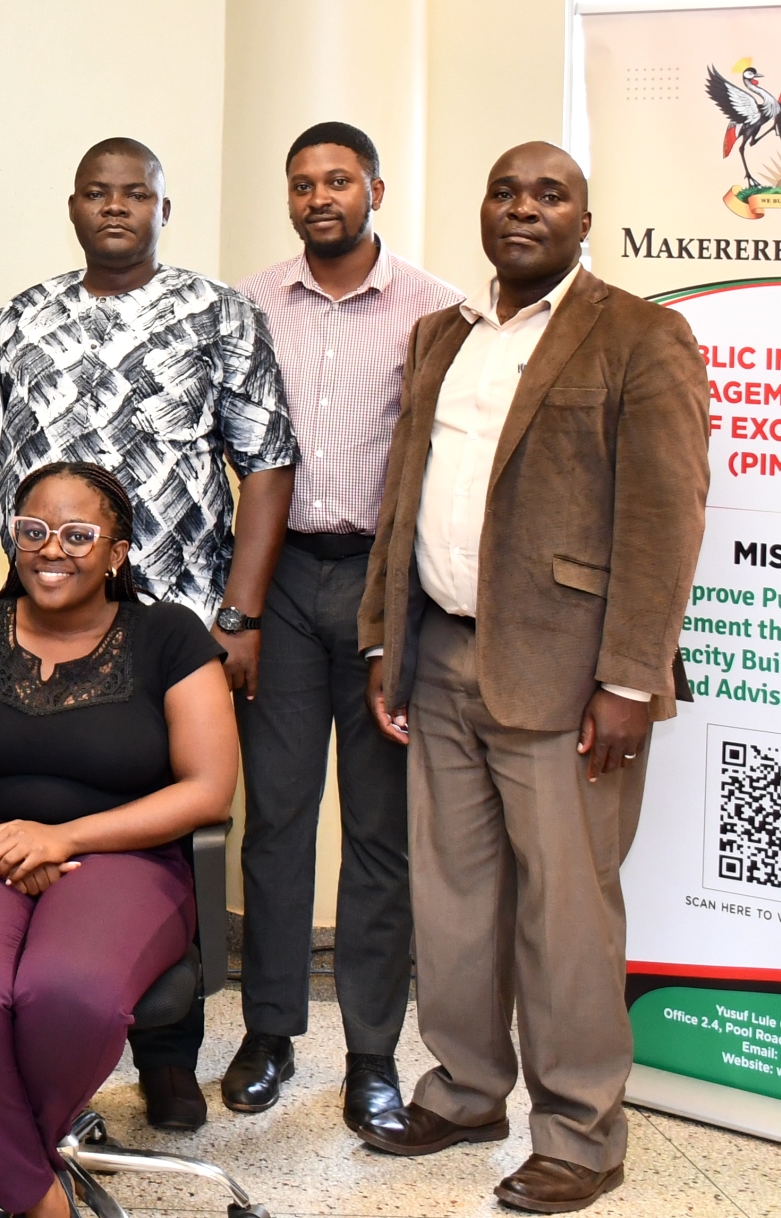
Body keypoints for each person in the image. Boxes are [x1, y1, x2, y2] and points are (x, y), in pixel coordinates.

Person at [355, 142, 705, 1213]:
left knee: (567, 913)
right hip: (444, 658)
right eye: (505, 191)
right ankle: (465, 1090)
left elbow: (663, 518)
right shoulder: (440, 335)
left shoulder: (639, 336)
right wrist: (385, 641)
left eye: (549, 194)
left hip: (570, 678)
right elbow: (402, 502)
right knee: (453, 904)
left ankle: (584, 1133)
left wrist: (632, 680)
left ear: (584, 218)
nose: (523, 209)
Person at [0, 136, 297, 1130]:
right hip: (36, 627)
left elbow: (270, 464)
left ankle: (166, 1054)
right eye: (97, 193)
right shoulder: (19, 322)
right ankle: (29, 1030)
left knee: (183, 832)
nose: (116, 208)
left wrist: (237, 616)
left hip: (178, 629)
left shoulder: (221, 315)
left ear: (166, 206)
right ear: (72, 206)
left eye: (137, 194)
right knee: (40, 807)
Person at [0, 461, 238, 1218]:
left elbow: (208, 787)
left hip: (123, 855)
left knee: (68, 992)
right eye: (34, 531)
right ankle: (34, 1190)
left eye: (79, 535)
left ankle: (12, 1172)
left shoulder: (170, 637)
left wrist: (61, 837)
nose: (53, 550)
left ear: (117, 552)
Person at [224, 123, 463, 1126]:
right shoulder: (252, 303)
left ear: (374, 187)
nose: (319, 197)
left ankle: (371, 1052)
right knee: (274, 817)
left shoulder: (437, 310)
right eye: (302, 184)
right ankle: (269, 1031)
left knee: (379, 830)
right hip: (277, 578)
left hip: (380, 582)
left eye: (337, 181)